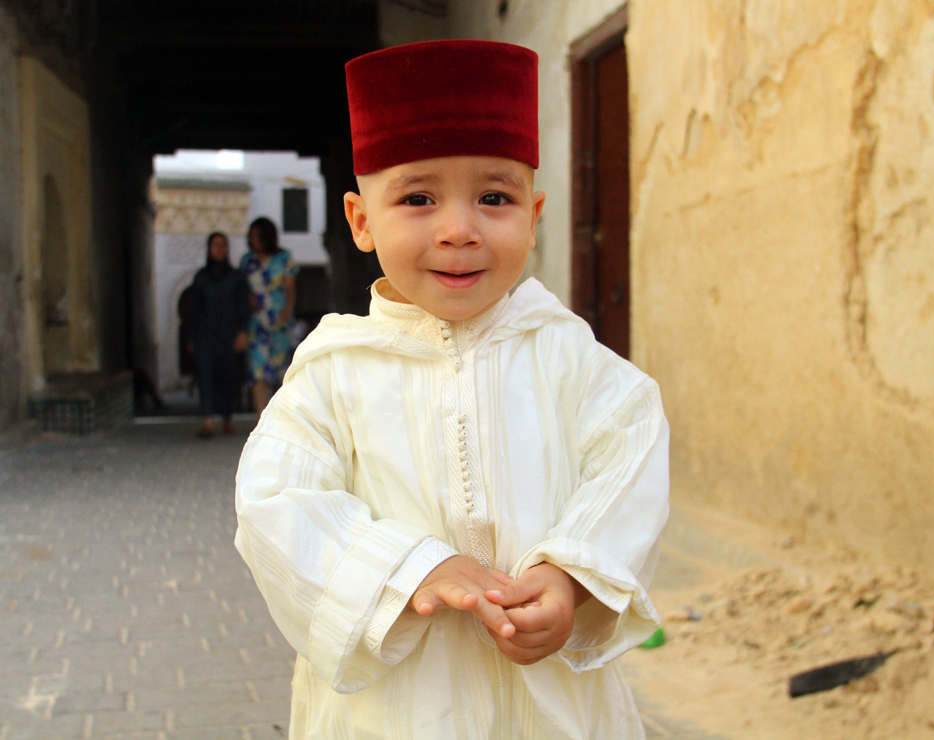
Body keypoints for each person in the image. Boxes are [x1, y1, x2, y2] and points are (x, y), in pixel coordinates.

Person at [234, 40, 670, 739]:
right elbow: (274, 500)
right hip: (395, 708)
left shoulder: (565, 354)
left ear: (534, 214)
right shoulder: (334, 371)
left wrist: (570, 577)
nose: (459, 229)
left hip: (550, 702)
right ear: (361, 219)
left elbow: (632, 448)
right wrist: (413, 569)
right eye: (418, 197)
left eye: (494, 197)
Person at [188, 232, 250, 438]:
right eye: (215, 245)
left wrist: (242, 332)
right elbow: (193, 310)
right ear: (209, 248)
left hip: (229, 335)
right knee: (206, 376)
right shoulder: (200, 278)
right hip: (205, 335)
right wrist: (191, 337)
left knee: (229, 376)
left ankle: (227, 418)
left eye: (223, 245)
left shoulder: (237, 277)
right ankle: (207, 421)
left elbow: (243, 306)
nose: (219, 249)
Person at [239, 215, 299, 414]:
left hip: (280, 321)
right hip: (256, 323)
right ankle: (260, 421)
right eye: (252, 236)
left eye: (258, 236)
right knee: (258, 371)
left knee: (282, 372)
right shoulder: (247, 261)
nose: (254, 240)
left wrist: (287, 311)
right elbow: (240, 289)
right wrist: (248, 298)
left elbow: (290, 289)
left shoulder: (284, 258)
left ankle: (281, 421)